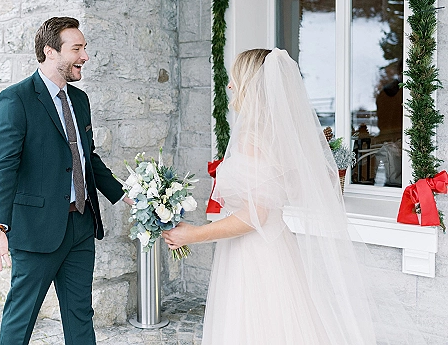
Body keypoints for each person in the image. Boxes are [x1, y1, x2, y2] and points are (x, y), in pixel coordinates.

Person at [163, 49, 425, 344]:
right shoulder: (271, 132)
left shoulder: (253, 136)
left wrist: (194, 235)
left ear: (250, 84)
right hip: (271, 247)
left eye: (235, 79)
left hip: (256, 255)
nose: (230, 86)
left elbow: (256, 214)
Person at [0, 17, 133, 345]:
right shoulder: (15, 100)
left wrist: (128, 195)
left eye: (85, 47)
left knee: (80, 314)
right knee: (22, 316)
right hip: (37, 231)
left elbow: (88, 159)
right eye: (77, 48)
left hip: (82, 226)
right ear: (50, 52)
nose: (85, 55)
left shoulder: (80, 100)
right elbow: (3, 167)